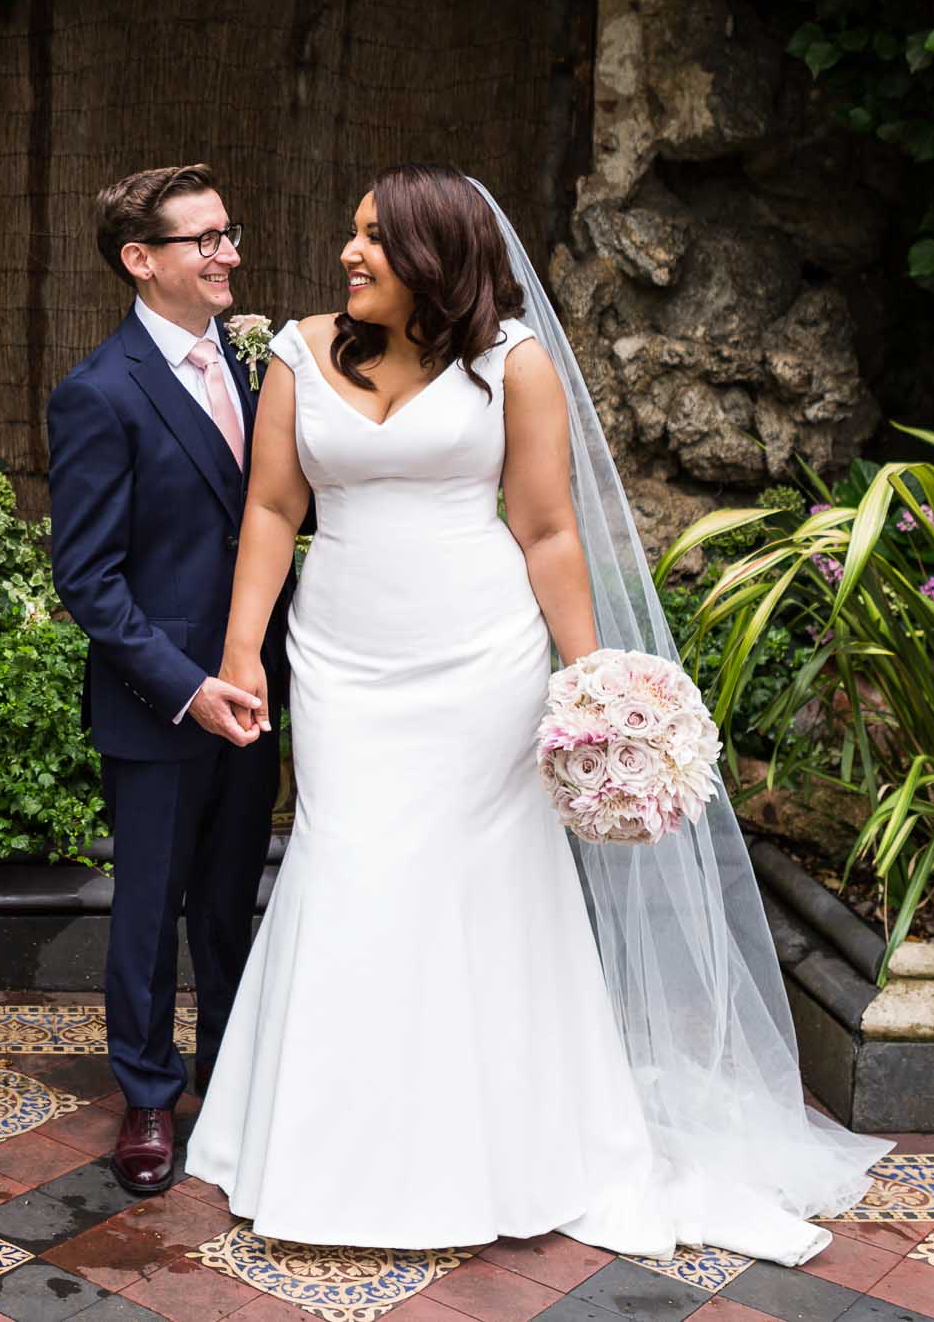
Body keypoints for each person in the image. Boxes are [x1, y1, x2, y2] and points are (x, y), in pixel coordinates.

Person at [185, 164, 885, 1263]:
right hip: (344, 659)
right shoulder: (296, 354)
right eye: (351, 234)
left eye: (372, 238)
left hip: (480, 660)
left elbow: (549, 530)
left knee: (481, 882)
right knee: (350, 861)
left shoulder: (513, 363)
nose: (346, 255)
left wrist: (593, 682)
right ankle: (328, 1145)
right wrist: (241, 655)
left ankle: (501, 1142)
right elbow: (272, 507)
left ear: (434, 255)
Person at [46, 162, 290, 1197]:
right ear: (141, 262)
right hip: (163, 702)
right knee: (149, 907)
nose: (229, 251)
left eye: (228, 232)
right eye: (205, 240)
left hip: (259, 686)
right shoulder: (98, 393)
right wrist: (188, 685)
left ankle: (230, 1079)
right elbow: (88, 581)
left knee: (234, 896)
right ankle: (148, 1095)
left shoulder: (252, 365)